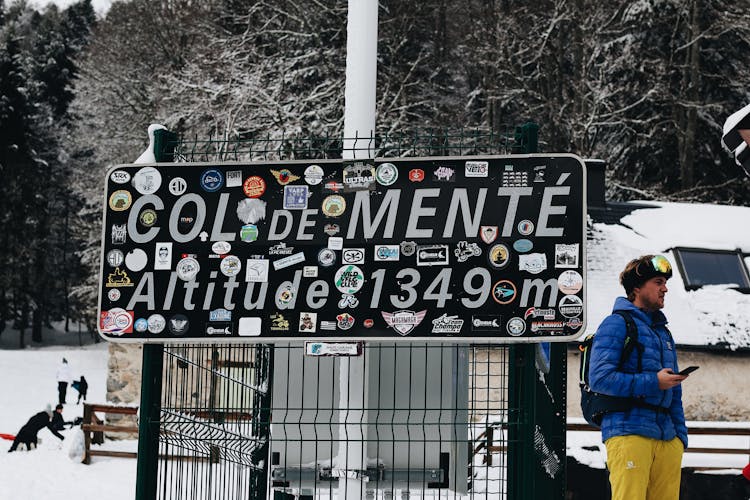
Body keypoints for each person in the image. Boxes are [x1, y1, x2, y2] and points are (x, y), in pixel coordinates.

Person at [588, 255, 689, 500]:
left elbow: (673, 391)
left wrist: (679, 438)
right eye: (658, 281)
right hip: (628, 432)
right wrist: (654, 382)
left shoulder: (663, 333)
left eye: (665, 282)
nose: (665, 288)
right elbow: (600, 378)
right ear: (636, 288)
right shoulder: (616, 324)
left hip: (667, 437)